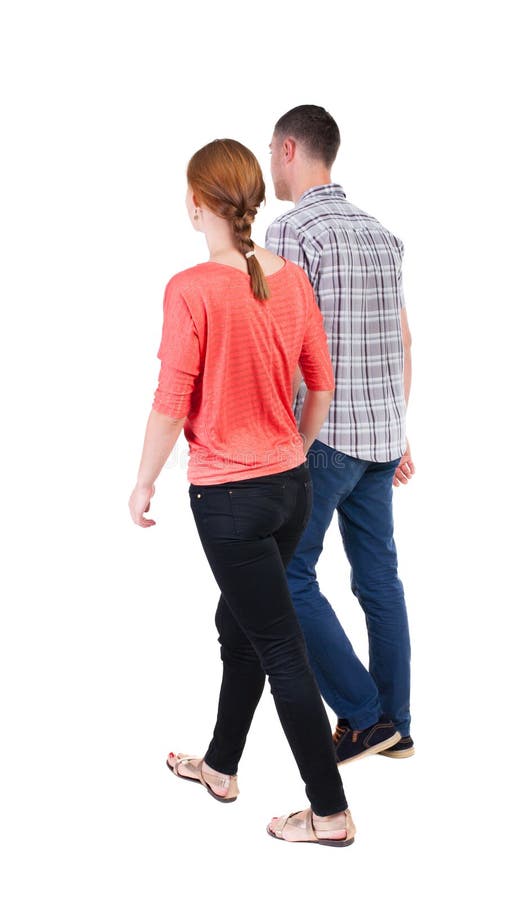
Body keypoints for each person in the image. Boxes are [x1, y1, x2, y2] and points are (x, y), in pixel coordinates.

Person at [128, 138, 356, 847]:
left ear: (197, 202)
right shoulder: (290, 280)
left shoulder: (191, 288)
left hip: (230, 502)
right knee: (242, 628)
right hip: (290, 489)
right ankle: (221, 767)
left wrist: (141, 483)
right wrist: (294, 445)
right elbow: (321, 382)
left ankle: (329, 814)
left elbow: (171, 401)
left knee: (278, 647)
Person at [265, 105, 416, 765]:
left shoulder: (291, 230)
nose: (270, 162)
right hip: (382, 439)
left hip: (321, 439)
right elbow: (404, 340)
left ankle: (360, 717)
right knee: (380, 578)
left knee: (282, 572)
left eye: (272, 150)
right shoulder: (383, 235)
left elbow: (281, 346)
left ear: (291, 148)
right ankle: (397, 723)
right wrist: (399, 431)